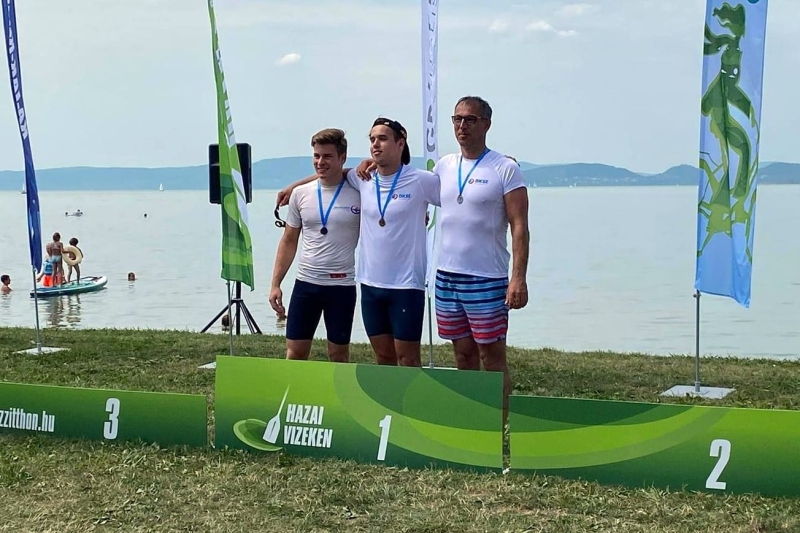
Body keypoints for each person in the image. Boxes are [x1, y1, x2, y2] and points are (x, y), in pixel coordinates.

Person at [356, 97, 529, 421]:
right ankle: (471, 421)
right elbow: (405, 188)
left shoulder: (505, 168)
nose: (462, 126)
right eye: (457, 119)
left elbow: (520, 226)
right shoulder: (444, 167)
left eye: (470, 120)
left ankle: (502, 425)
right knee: (463, 356)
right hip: (447, 277)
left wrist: (518, 278)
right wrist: (371, 162)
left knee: (492, 358)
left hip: (487, 278)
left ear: (486, 124)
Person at [277, 118, 441, 367]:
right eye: (372, 139)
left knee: (408, 359)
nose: (375, 144)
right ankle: (383, 396)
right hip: (370, 284)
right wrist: (294, 186)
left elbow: (457, 199)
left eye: (382, 139)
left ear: (400, 143)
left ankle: (413, 396)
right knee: (383, 358)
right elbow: (332, 172)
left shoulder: (421, 180)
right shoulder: (363, 178)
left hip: (407, 285)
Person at [269, 128, 361, 363]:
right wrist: (276, 284)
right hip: (306, 284)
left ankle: (337, 391)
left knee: (338, 355)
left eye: (327, 156)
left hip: (341, 286)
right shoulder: (300, 194)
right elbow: (289, 240)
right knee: (295, 353)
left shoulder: (359, 192)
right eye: (316, 156)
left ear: (342, 157)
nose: (320, 162)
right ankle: (292, 389)